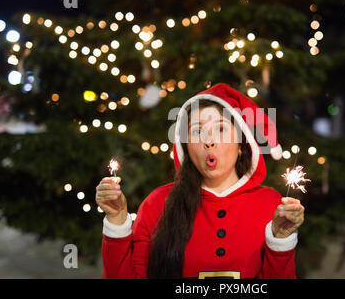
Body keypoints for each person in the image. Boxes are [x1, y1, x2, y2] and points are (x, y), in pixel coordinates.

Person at [96, 83, 305, 279]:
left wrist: (281, 239)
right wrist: (116, 221)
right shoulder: (157, 203)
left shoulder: (270, 204)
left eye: (221, 129)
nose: (209, 140)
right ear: (185, 147)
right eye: (197, 131)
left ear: (241, 144)